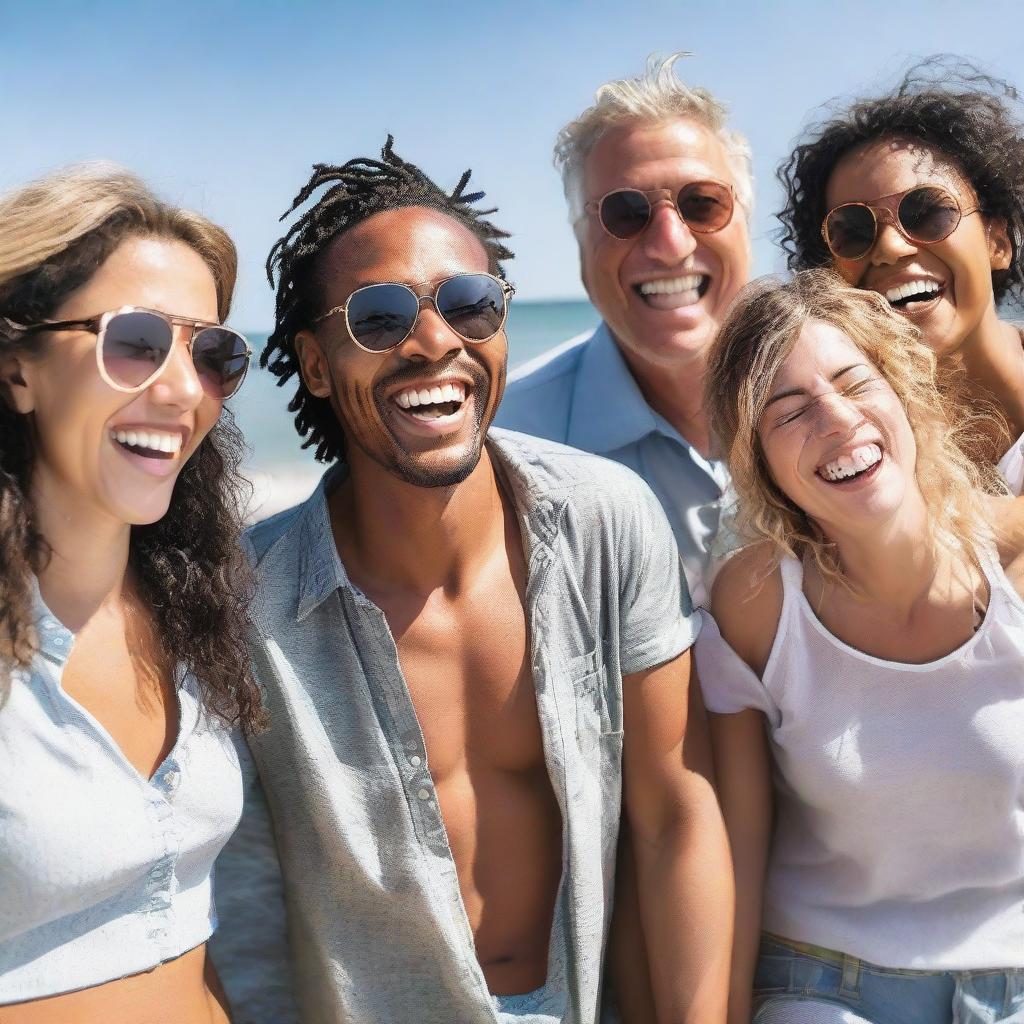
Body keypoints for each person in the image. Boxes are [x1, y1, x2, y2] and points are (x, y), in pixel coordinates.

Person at [211, 138, 732, 1024]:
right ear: (312, 364)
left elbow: (677, 811)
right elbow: (249, 910)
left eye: (468, 304)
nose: (433, 341)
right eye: (377, 318)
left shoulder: (608, 520)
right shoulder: (249, 602)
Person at [699, 269, 1024, 1023]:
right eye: (790, 412)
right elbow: (734, 859)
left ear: (904, 389)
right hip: (821, 987)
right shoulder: (755, 604)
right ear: (762, 465)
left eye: (854, 382)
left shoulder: (1015, 557)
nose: (837, 421)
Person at [0, 165, 262, 1023]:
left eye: (212, 354)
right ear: (18, 371)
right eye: (137, 341)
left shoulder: (198, 616)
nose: (186, 390)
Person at [496, 52, 753, 607]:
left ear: (747, 222)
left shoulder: (853, 400)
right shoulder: (505, 448)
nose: (670, 244)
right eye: (626, 212)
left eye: (702, 204)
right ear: (579, 238)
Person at [778, 57, 1024, 491]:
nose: (891, 247)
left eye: (927, 212)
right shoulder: (841, 458)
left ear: (998, 243)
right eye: (853, 231)